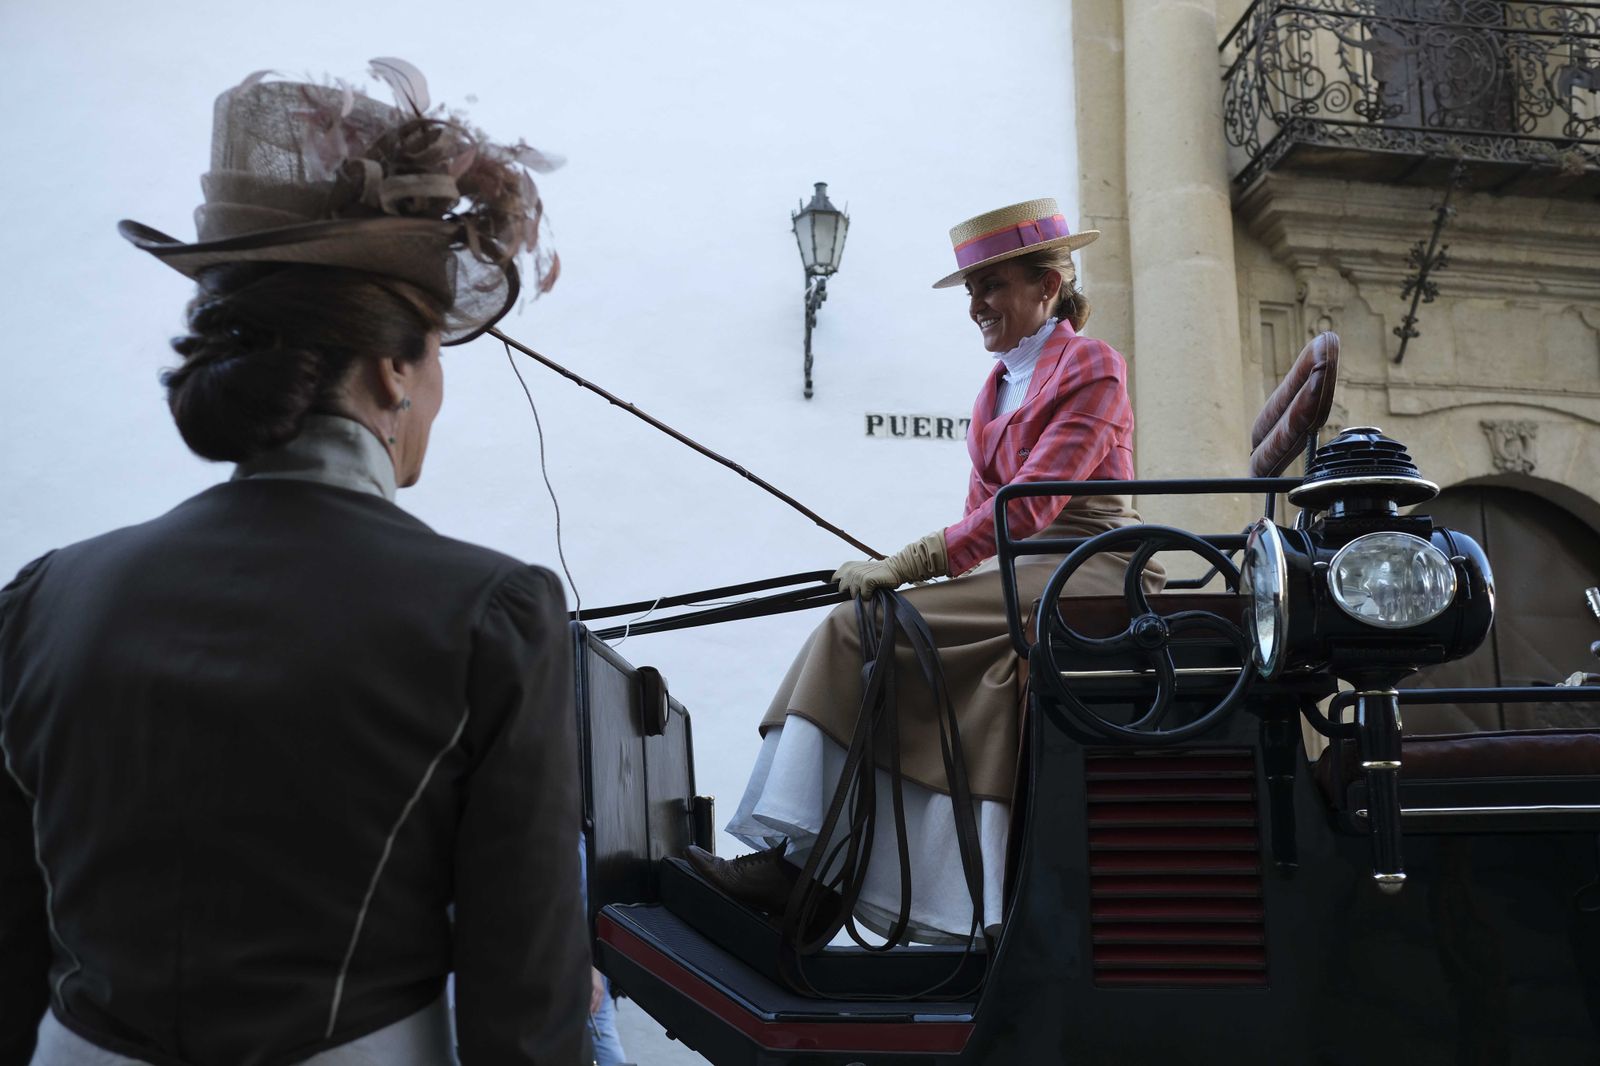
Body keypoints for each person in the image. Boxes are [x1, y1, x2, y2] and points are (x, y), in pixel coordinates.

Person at [0, 64, 590, 1065]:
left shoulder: (46, 594)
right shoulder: (493, 613)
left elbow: (15, 941)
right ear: (393, 369)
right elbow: (522, 1005)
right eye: (437, 352)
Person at [693, 199, 1164, 943]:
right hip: (1018, 573)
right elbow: (988, 517)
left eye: (993, 286)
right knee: (873, 633)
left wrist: (908, 564)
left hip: (1087, 567)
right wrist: (914, 574)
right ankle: (818, 868)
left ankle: (803, 875)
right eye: (971, 291)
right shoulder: (994, 390)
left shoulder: (1091, 365)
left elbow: (1029, 510)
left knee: (859, 627)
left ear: (1047, 285)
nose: (976, 305)